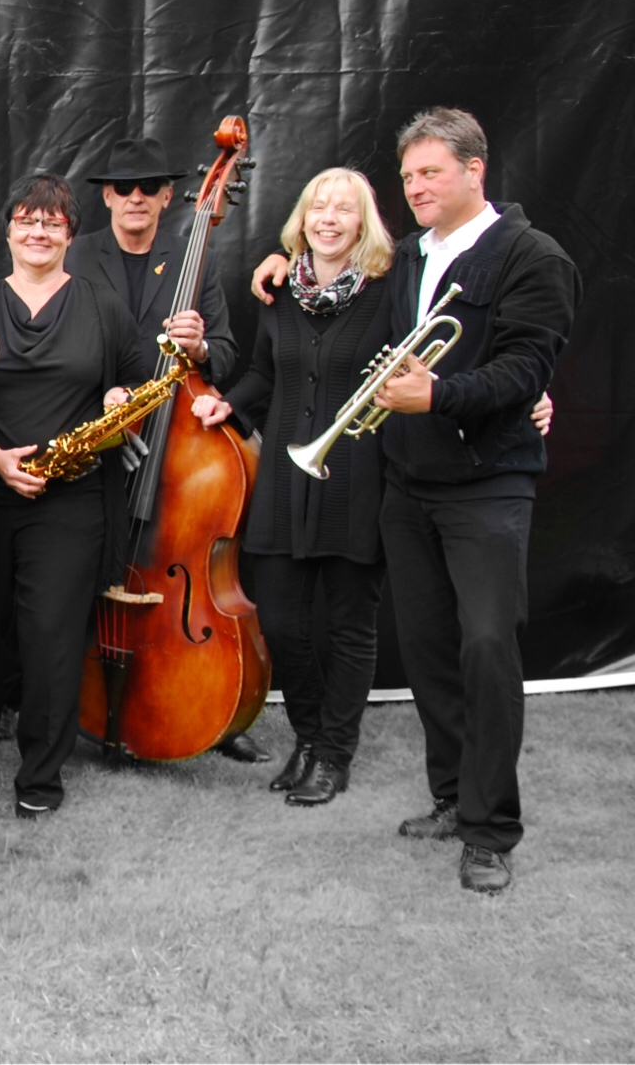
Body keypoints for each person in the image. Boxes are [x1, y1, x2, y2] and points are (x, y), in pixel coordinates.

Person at [261, 111, 580, 891]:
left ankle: (489, 832)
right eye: (407, 176)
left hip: (487, 486)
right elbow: (330, 276)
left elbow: (525, 369)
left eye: (431, 172)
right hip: (407, 485)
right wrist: (279, 258)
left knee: (486, 647)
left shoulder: (531, 255)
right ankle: (450, 798)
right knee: (431, 650)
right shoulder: (406, 256)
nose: (416, 187)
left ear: (476, 169)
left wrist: (439, 395)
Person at [193, 170, 396, 806]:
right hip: (284, 475)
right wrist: (229, 404)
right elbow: (264, 372)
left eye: (343, 209)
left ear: (363, 223)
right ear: (302, 219)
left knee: (348, 625)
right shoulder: (279, 290)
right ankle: (308, 738)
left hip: (355, 477)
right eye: (318, 208)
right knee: (280, 621)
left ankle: (334, 753)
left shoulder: (390, 289)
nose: (328, 219)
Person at [65, 134, 265, 766]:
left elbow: (226, 352)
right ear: (106, 196)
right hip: (101, 437)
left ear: (168, 196)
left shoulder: (192, 258)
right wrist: (106, 417)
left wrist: (201, 347)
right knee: (81, 574)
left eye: (148, 187)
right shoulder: (76, 255)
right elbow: (61, 349)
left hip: (175, 442)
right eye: (123, 187)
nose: (135, 197)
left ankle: (212, 707)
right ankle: (64, 708)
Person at [0, 176, 142, 817]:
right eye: (27, 220)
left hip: (70, 498)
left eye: (52, 223)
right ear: (8, 231)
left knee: (51, 638)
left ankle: (40, 777)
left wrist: (118, 399)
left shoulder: (103, 305)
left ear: (69, 234)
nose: (38, 232)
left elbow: (135, 379)